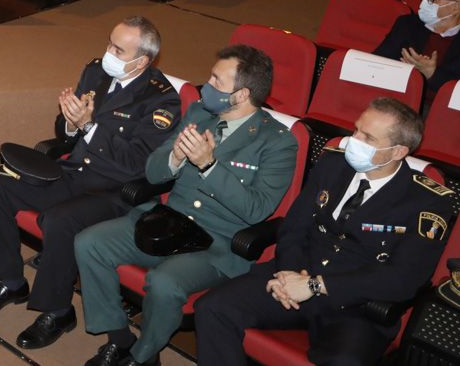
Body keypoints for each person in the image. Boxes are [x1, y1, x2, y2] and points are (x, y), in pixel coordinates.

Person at [0, 18, 182, 350]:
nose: (107, 52)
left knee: (60, 220)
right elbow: (67, 130)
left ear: (141, 61)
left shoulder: (161, 101)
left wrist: (90, 127)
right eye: (109, 43)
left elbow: (137, 165)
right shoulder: (96, 71)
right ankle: (11, 282)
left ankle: (58, 311)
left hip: (115, 191)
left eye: (117, 49)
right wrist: (69, 124)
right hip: (75, 172)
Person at [76, 45, 296, 366]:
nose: (207, 85)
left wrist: (209, 166)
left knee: (165, 283)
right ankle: (119, 338)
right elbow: (152, 171)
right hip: (169, 221)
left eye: (217, 81)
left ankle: (142, 355)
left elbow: (257, 209)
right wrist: (176, 157)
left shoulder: (277, 142)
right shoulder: (199, 115)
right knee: (89, 243)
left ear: (241, 94)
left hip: (217, 243)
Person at [194, 98, 455, 366]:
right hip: (296, 274)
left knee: (344, 362)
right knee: (213, 309)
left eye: (368, 138)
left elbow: (403, 278)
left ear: (398, 151)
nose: (353, 140)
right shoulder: (333, 164)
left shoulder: (428, 201)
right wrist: (288, 273)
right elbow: (295, 227)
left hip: (355, 306)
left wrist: (315, 286)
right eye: (356, 130)